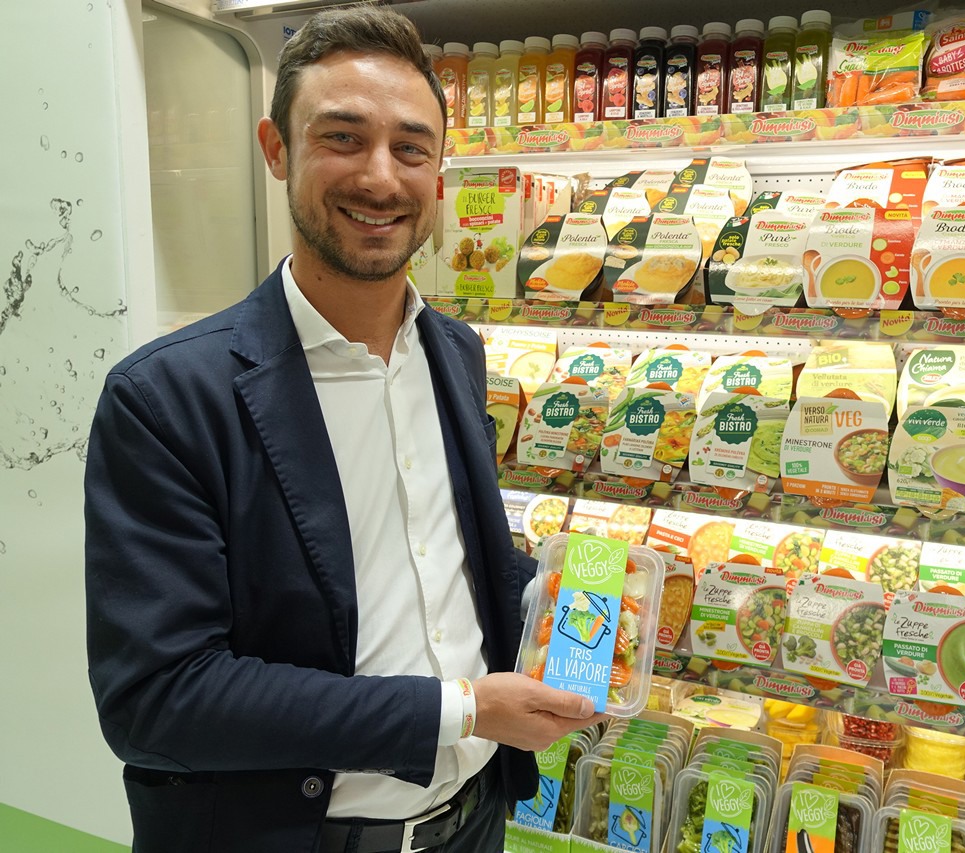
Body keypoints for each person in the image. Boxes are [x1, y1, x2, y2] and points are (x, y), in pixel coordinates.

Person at [84, 8, 605, 853]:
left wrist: (573, 600)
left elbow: (440, 563)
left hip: (472, 825)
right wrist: (463, 710)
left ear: (440, 172)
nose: (380, 177)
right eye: (343, 138)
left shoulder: (454, 351)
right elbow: (159, 699)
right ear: (276, 149)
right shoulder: (167, 397)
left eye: (411, 148)